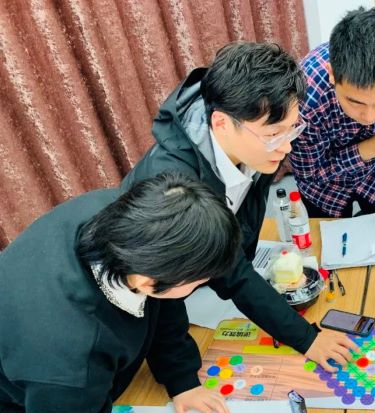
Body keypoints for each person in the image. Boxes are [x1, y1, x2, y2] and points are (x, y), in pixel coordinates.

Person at [0, 173, 239, 413]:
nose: (201, 285)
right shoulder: (69, 355)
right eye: (198, 281)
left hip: (59, 373)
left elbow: (162, 302)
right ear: (146, 280)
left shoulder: (127, 219)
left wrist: (182, 380)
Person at [123, 42, 358, 372]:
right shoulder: (173, 187)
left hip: (207, 280)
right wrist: (307, 338)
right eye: (274, 134)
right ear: (221, 123)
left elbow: (237, 244)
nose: (286, 146)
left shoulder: (257, 149)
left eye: (292, 129)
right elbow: (192, 283)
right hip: (158, 303)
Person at [289, 7, 375, 224]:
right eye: (355, 102)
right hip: (324, 188)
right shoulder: (305, 95)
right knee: (326, 240)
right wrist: (371, 148)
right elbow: (311, 174)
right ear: (332, 74)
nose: (369, 117)